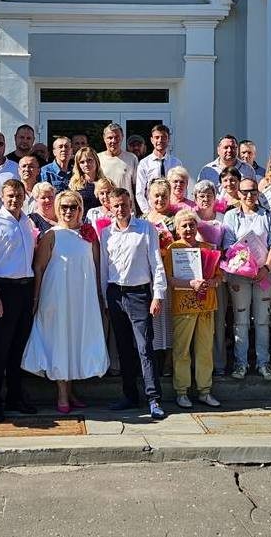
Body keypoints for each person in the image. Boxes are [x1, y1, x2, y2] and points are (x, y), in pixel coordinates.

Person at [22, 190, 109, 412]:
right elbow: (39, 268)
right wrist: (36, 297)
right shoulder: (51, 235)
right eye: (64, 207)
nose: (68, 211)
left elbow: (97, 267)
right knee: (60, 339)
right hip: (57, 296)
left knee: (75, 340)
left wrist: (100, 296)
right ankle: (61, 394)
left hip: (82, 297)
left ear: (81, 209)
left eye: (73, 207)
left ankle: (71, 391)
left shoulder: (89, 235)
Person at [99, 188, 167, 419]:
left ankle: (154, 398)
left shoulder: (145, 229)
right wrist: (105, 299)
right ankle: (129, 396)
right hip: (115, 294)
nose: (120, 209)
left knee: (144, 348)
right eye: (116, 205)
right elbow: (104, 269)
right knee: (124, 348)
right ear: (110, 206)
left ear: (131, 205)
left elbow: (156, 263)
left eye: (124, 205)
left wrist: (158, 295)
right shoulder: (106, 233)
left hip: (139, 295)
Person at [0, 179, 38, 422]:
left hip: (25, 288)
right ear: (2, 197)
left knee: (17, 349)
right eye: (10, 195)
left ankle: (15, 396)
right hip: (3, 289)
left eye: (18, 195)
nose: (14, 200)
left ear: (24, 196)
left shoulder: (27, 220)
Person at [222, 177, 271, 380]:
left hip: (263, 274)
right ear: (238, 193)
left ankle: (264, 363)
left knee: (263, 320)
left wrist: (266, 267)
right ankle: (241, 363)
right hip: (239, 275)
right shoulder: (230, 216)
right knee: (240, 321)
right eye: (244, 192)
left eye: (253, 191)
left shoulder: (268, 216)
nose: (249, 195)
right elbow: (228, 246)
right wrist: (244, 264)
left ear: (258, 193)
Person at [165, 208, 221, 409]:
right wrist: (191, 284)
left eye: (191, 224)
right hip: (184, 306)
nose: (188, 228)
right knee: (182, 351)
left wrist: (211, 282)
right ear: (177, 228)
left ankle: (205, 391)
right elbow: (169, 279)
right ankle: (182, 391)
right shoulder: (172, 249)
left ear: (197, 226)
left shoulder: (207, 247)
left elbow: (218, 276)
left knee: (205, 350)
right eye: (184, 225)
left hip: (206, 306)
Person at [192, 180, 229, 375]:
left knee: (218, 319)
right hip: (195, 279)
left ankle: (219, 363)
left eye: (209, 195)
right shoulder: (191, 218)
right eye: (201, 195)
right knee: (196, 321)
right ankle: (197, 364)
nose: (205, 199)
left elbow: (230, 246)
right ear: (195, 199)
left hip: (216, 276)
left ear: (215, 198)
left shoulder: (223, 218)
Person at [144, 178, 177, 372]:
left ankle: (169, 360)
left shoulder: (176, 218)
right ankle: (154, 359)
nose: (160, 199)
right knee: (154, 318)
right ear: (149, 197)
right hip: (149, 275)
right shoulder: (142, 219)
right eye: (156, 195)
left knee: (170, 317)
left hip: (170, 272)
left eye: (164, 195)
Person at [135, 124, 183, 214]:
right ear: (152, 140)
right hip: (152, 210)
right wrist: (148, 212)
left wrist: (178, 208)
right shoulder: (144, 163)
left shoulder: (176, 163)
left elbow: (182, 189)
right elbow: (139, 192)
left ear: (168, 140)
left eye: (163, 137)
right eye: (157, 137)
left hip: (172, 211)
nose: (160, 140)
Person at [98, 123, 138, 197]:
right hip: (105, 206)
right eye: (110, 138)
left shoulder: (132, 158)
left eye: (117, 137)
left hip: (126, 206)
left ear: (122, 137)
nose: (113, 141)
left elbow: (136, 187)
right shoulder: (98, 159)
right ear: (104, 138)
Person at [70, 147, 105, 212]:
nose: (86, 164)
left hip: (101, 220)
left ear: (96, 161)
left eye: (89, 160)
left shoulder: (105, 184)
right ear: (78, 165)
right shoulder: (74, 186)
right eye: (82, 162)